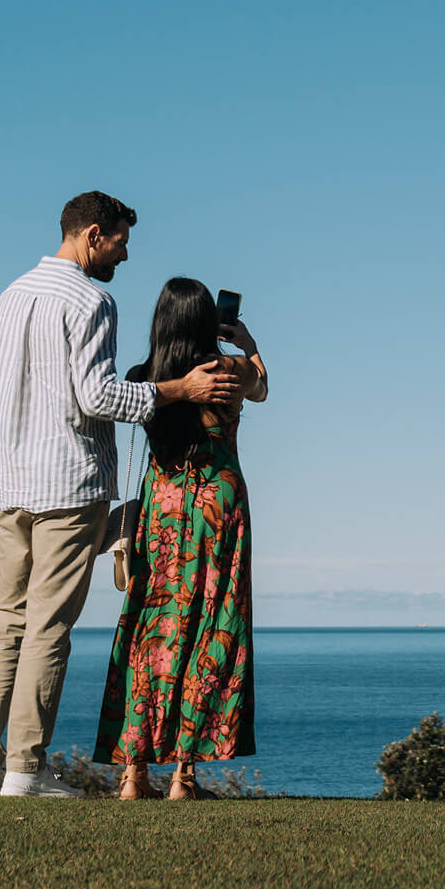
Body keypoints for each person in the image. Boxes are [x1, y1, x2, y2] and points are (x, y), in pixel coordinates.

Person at [0, 193, 240, 798]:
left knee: (5, 623)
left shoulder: (4, 300)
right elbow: (99, 397)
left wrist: (5, 456)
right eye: (119, 241)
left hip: (10, 487)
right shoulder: (92, 299)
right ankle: (25, 772)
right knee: (47, 629)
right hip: (67, 483)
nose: (124, 253)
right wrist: (180, 387)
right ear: (93, 235)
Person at [93, 277, 268, 799]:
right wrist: (249, 345)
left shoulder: (143, 377)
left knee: (151, 631)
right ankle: (184, 777)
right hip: (219, 504)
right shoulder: (228, 369)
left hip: (162, 510)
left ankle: (132, 773)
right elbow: (263, 386)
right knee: (212, 629)